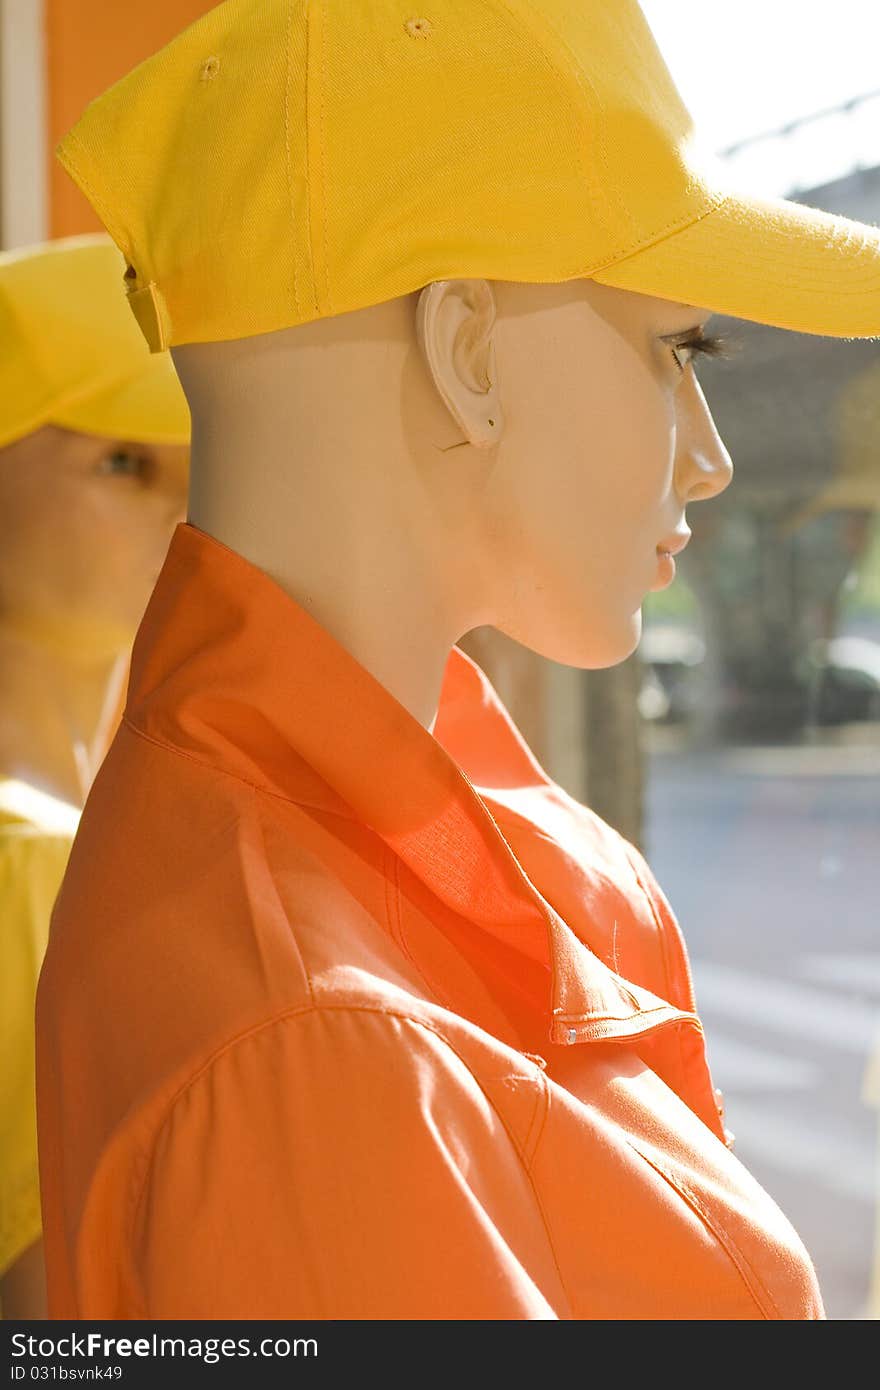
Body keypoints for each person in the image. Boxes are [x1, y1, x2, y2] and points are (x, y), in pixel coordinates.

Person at [35, 0, 880, 1319]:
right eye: (678, 351)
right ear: (465, 349)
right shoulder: (321, 1041)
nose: (711, 452)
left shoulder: (354, 864)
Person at [0, 236, 190, 1318]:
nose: (193, 508)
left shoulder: (73, 841)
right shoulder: (40, 872)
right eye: (124, 462)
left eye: (208, 461)